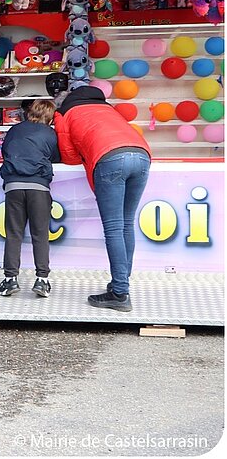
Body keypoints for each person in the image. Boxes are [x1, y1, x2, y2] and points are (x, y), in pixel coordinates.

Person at [55, 85, 151, 312]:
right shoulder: (108, 109)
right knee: (127, 224)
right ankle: (121, 283)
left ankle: (119, 293)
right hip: (141, 154)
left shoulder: (65, 113)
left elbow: (68, 156)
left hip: (109, 157)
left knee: (114, 228)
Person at [0, 99, 60, 298]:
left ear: (29, 112)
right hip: (39, 187)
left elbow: (4, 152)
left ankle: (10, 280)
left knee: (14, 234)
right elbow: (56, 157)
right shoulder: (50, 133)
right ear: (49, 117)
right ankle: (42, 280)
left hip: (13, 186)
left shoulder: (14, 130)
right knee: (40, 234)